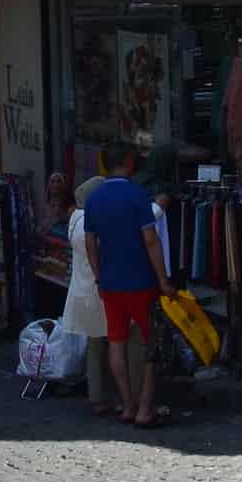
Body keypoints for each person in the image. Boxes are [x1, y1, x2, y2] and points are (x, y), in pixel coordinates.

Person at [84, 143, 174, 431]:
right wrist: (163, 280)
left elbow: (90, 242)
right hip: (139, 281)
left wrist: (99, 275)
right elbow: (150, 240)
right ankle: (144, 409)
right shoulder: (137, 196)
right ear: (128, 162)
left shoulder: (94, 199)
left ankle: (127, 404)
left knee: (116, 341)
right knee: (151, 344)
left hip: (110, 283)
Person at [61, 174, 115, 415]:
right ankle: (109, 396)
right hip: (99, 290)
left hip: (82, 291)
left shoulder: (74, 220)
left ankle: (97, 396)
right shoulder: (90, 223)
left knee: (95, 345)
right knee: (112, 343)